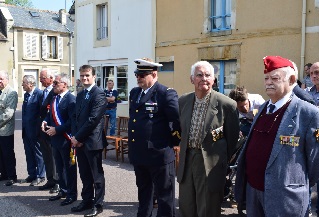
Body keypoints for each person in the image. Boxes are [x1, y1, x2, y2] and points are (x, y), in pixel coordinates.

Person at [234, 56, 319, 217]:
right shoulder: (264, 107)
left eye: (275, 78)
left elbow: (315, 162)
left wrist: (296, 185)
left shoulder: (309, 113)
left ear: (292, 79)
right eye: (266, 78)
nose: (268, 82)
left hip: (285, 197)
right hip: (254, 192)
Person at [177, 61, 239, 217]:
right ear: (192, 79)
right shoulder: (183, 101)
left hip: (210, 163)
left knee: (208, 208)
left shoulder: (227, 104)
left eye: (208, 75)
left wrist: (222, 160)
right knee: (186, 205)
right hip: (187, 159)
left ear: (214, 80)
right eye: (199, 75)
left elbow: (232, 139)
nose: (203, 78)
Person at [128, 58, 181, 217]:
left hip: (159, 154)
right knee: (144, 192)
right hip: (140, 154)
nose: (138, 77)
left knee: (164, 196)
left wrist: (170, 144)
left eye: (142, 75)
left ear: (154, 74)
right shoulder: (134, 93)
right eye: (137, 74)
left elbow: (176, 121)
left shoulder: (165, 93)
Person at [71, 65, 106, 217]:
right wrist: (75, 137)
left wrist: (78, 137)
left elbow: (93, 120)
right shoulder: (80, 94)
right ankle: (87, 201)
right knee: (84, 174)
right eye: (82, 76)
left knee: (96, 176)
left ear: (93, 76)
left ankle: (98, 204)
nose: (84, 78)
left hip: (92, 141)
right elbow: (76, 118)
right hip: (79, 141)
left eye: (87, 75)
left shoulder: (99, 94)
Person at [42, 73, 77, 206]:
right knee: (59, 167)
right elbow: (49, 114)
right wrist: (45, 121)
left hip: (66, 139)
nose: (53, 85)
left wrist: (57, 129)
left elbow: (71, 122)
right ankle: (63, 190)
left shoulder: (71, 100)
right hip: (55, 139)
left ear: (64, 84)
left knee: (69, 168)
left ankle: (72, 194)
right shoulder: (55, 98)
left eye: (56, 83)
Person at [21, 75, 46, 186]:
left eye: (24, 83)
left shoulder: (39, 94)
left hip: (35, 131)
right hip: (26, 130)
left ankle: (40, 176)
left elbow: (42, 114)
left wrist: (39, 129)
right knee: (28, 153)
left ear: (30, 84)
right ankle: (32, 174)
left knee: (38, 153)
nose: (22, 85)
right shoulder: (26, 95)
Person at [38, 68, 59, 193]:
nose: (40, 80)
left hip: (53, 130)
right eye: (40, 77)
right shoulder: (43, 92)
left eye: (43, 77)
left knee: (54, 157)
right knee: (47, 156)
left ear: (51, 78)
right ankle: (50, 180)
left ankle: (57, 182)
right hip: (43, 130)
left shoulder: (55, 91)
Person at [0, 70, 18, 186]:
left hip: (5, 129)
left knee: (7, 153)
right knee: (0, 153)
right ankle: (4, 174)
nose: (0, 81)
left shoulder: (11, 93)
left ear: (7, 79)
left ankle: (12, 176)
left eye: (1, 79)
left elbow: (8, 113)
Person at [307, 61, 319, 216]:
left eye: (317, 73)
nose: (315, 76)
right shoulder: (307, 93)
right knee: (308, 176)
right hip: (309, 141)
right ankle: (307, 208)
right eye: (311, 73)